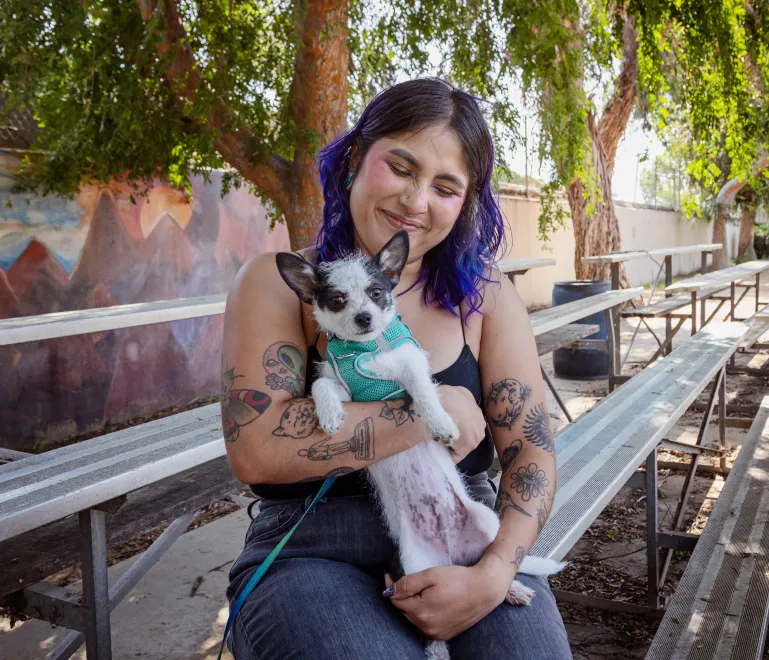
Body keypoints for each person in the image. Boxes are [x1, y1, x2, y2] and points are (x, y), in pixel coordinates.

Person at [221, 76, 572, 660]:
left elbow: (531, 452)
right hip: (310, 544)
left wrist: (492, 576)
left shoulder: (485, 297)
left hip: (460, 525)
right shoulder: (278, 282)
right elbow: (256, 448)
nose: (416, 201)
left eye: (445, 187)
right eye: (402, 168)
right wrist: (426, 412)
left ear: (466, 203)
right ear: (355, 159)